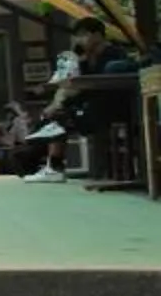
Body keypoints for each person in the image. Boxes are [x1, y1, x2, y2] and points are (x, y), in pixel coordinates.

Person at [29, 18, 136, 182]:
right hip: (92, 105)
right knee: (55, 115)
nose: (80, 40)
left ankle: (55, 167)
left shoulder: (114, 54)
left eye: (84, 35)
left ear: (98, 35)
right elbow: (77, 85)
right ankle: (53, 166)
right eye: (78, 36)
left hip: (113, 106)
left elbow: (98, 85)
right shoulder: (85, 59)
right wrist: (60, 103)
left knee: (60, 117)